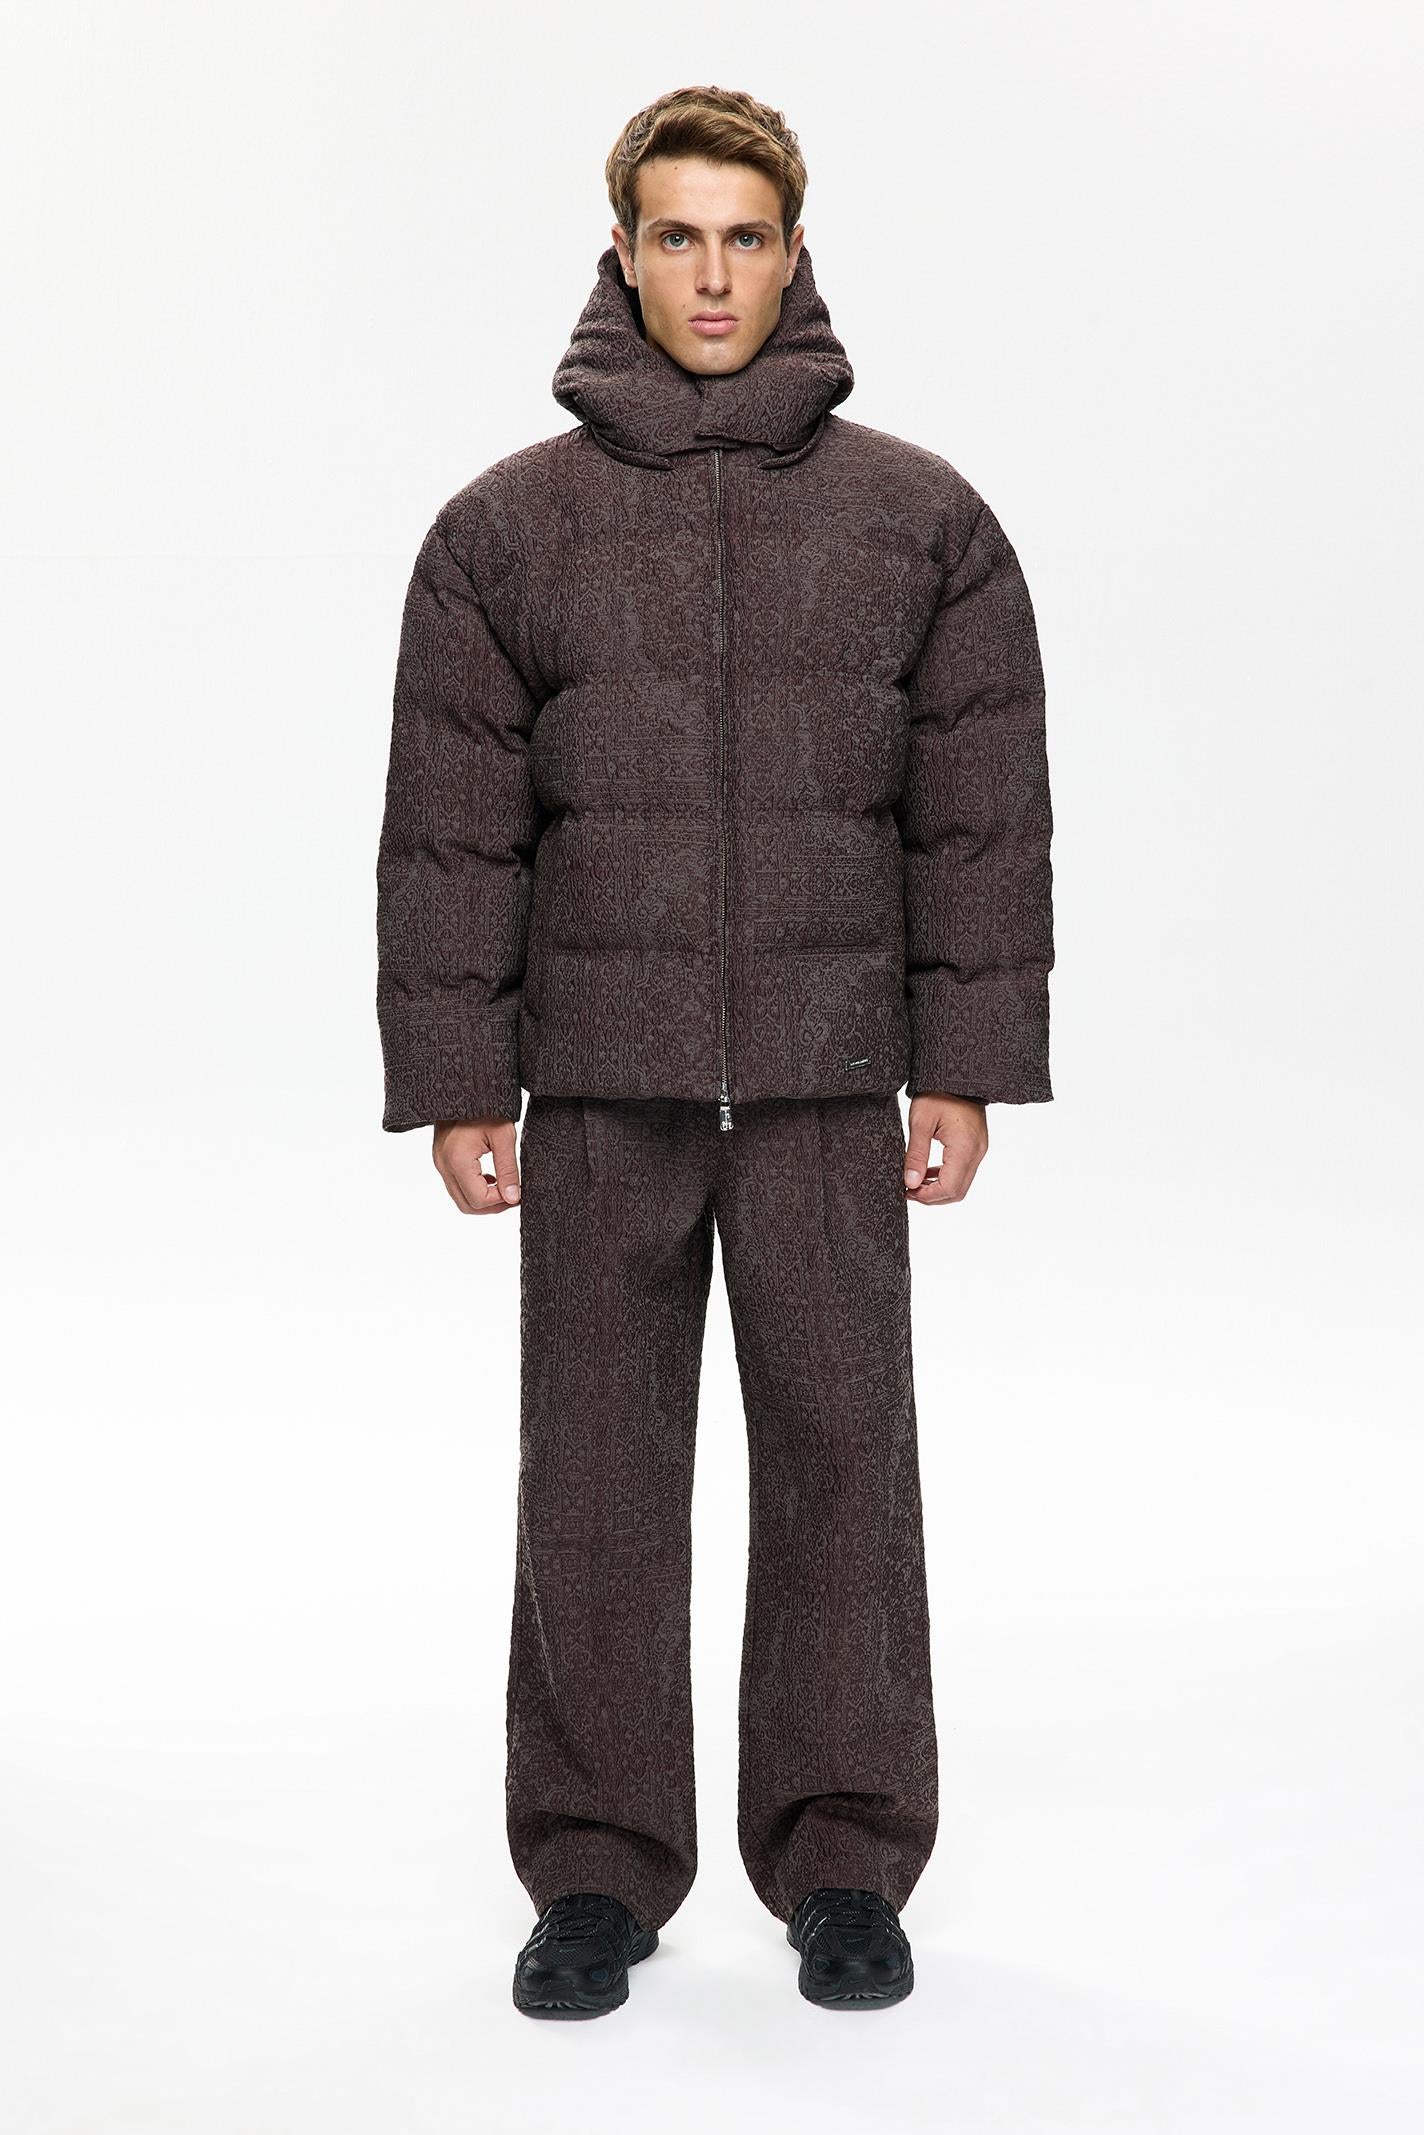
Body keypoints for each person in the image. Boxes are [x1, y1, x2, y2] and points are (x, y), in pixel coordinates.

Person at [375, 83, 1055, 2019]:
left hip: (834, 1076)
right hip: (600, 1076)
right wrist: (457, 1078)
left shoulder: (921, 521)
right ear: (621, 252)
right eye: (676, 235)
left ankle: (843, 1860)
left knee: (845, 1464)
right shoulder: (504, 530)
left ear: (794, 253)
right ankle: (596, 1870)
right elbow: (454, 830)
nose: (711, 274)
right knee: (594, 1476)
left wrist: (963, 1060)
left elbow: (978, 816)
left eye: (745, 237)